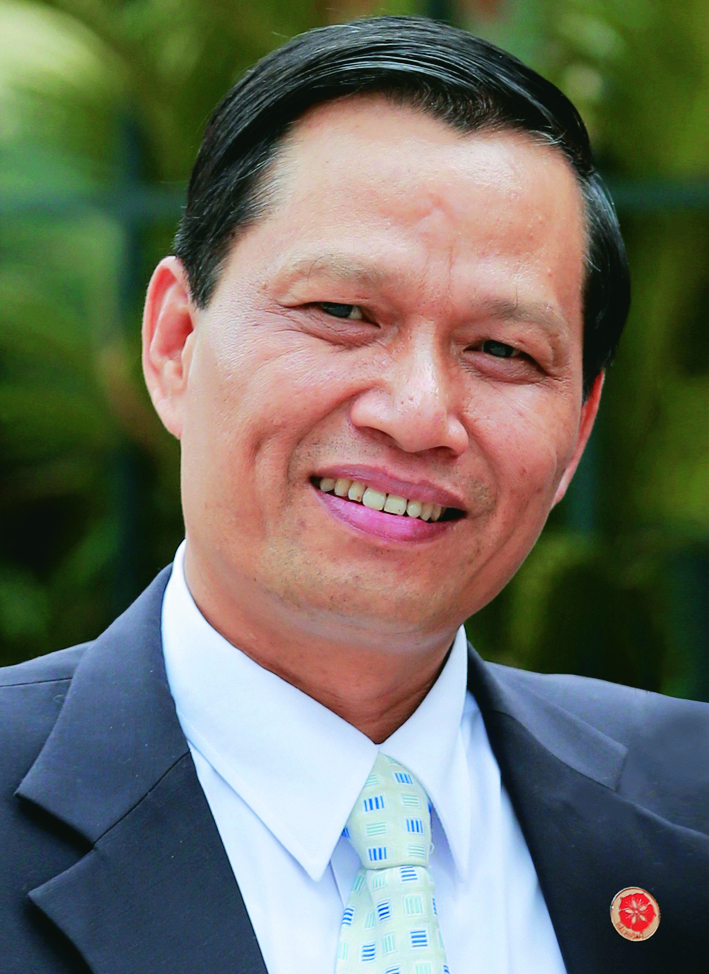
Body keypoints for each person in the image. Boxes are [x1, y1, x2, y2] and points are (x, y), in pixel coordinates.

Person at [1, 16, 706, 974]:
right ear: (175, 343)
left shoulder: (687, 810)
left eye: (501, 350)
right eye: (340, 312)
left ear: (578, 430)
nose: (419, 415)